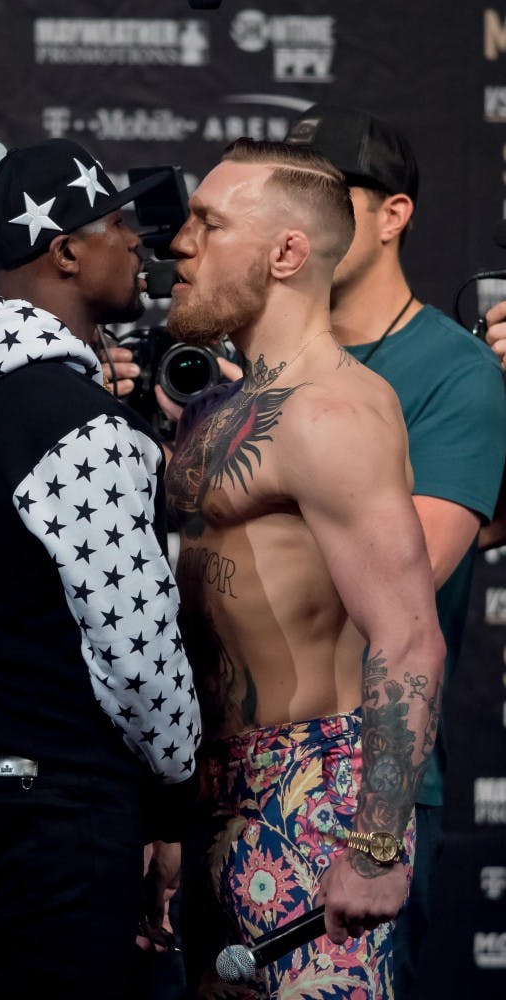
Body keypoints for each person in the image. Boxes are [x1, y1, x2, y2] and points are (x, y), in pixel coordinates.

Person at [0, 138, 202, 1000]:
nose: (139, 244)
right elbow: (138, 656)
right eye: (115, 224)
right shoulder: (80, 427)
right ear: (65, 251)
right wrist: (175, 798)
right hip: (61, 811)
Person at [161, 138, 445, 1000]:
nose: (179, 243)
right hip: (215, 789)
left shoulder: (333, 411)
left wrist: (375, 845)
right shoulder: (218, 406)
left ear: (287, 252)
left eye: (209, 224)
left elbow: (407, 637)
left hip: (310, 795)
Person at [283, 104, 506, 997]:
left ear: (392, 214)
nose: (302, 219)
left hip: (359, 783)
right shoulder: (238, 360)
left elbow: (407, 577)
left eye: (331, 195)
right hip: (214, 775)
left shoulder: (453, 372)